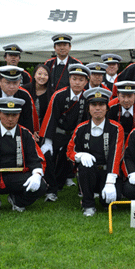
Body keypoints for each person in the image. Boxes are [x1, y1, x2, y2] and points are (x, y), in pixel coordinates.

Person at [67, 87, 125, 216]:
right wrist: (79, 155)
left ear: (107, 108)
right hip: (89, 173)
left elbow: (116, 155)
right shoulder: (81, 128)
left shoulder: (116, 128)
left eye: (101, 104)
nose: (97, 108)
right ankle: (88, 204)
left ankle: (105, 195)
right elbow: (70, 151)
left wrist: (110, 181)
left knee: (108, 202)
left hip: (108, 172)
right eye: (93, 105)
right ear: (88, 108)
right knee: (84, 167)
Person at [39, 64, 91, 201]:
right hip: (57, 134)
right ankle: (51, 190)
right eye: (74, 79)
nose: (77, 83)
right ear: (69, 79)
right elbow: (50, 118)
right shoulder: (59, 95)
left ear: (86, 82)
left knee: (68, 158)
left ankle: (68, 184)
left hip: (75, 136)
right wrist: (47, 141)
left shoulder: (87, 97)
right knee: (48, 156)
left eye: (81, 80)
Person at [22, 64, 54, 130]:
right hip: (25, 127)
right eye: (39, 74)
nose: (42, 77)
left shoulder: (52, 94)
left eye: (45, 75)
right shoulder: (24, 90)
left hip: (45, 129)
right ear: (34, 75)